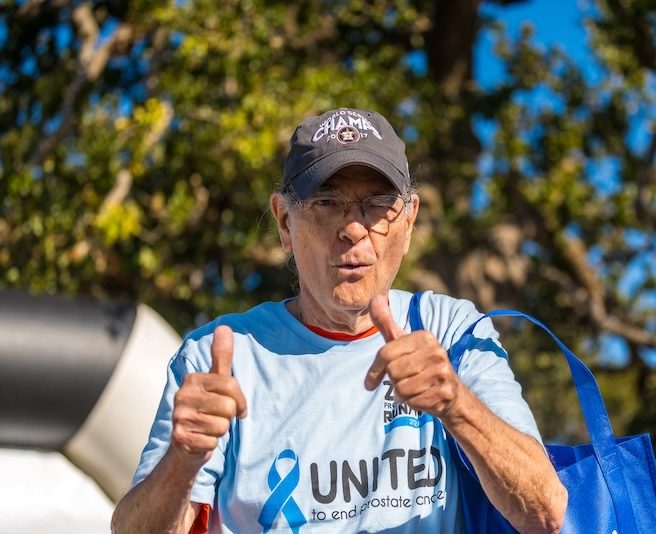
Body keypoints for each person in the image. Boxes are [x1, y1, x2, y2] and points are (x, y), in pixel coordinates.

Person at [111, 107, 567, 533]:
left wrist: (456, 405)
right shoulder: (219, 357)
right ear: (285, 223)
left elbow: (545, 511)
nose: (353, 229)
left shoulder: (452, 331)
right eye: (327, 202)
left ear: (408, 222)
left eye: (377, 205)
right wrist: (182, 462)